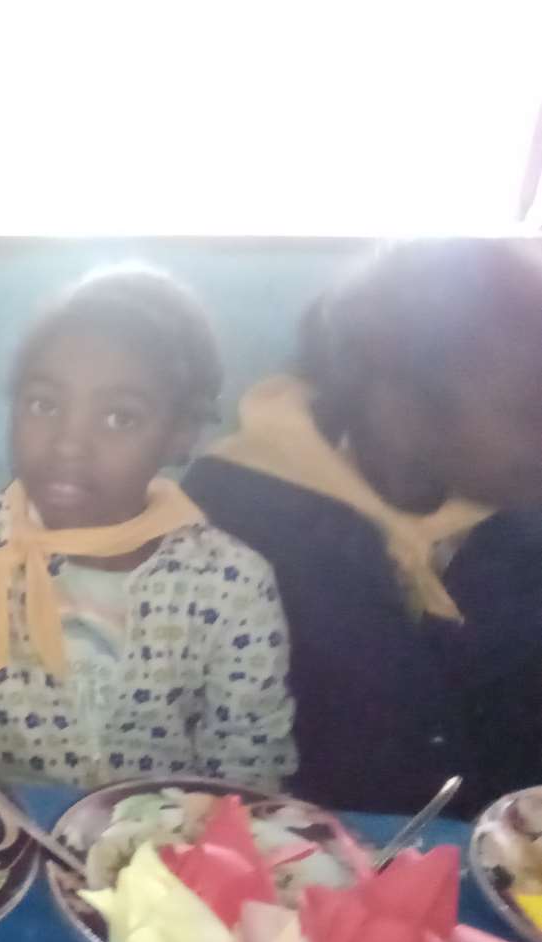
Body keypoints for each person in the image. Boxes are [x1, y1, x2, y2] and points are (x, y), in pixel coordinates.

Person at [0, 267, 297, 789]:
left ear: (181, 434)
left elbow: (247, 777)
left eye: (119, 418)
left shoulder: (230, 587)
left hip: (159, 837)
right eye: (44, 405)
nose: (68, 444)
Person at [185, 240, 542, 815]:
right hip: (309, 848)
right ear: (404, 407)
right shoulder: (236, 510)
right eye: (529, 413)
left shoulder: (521, 519)